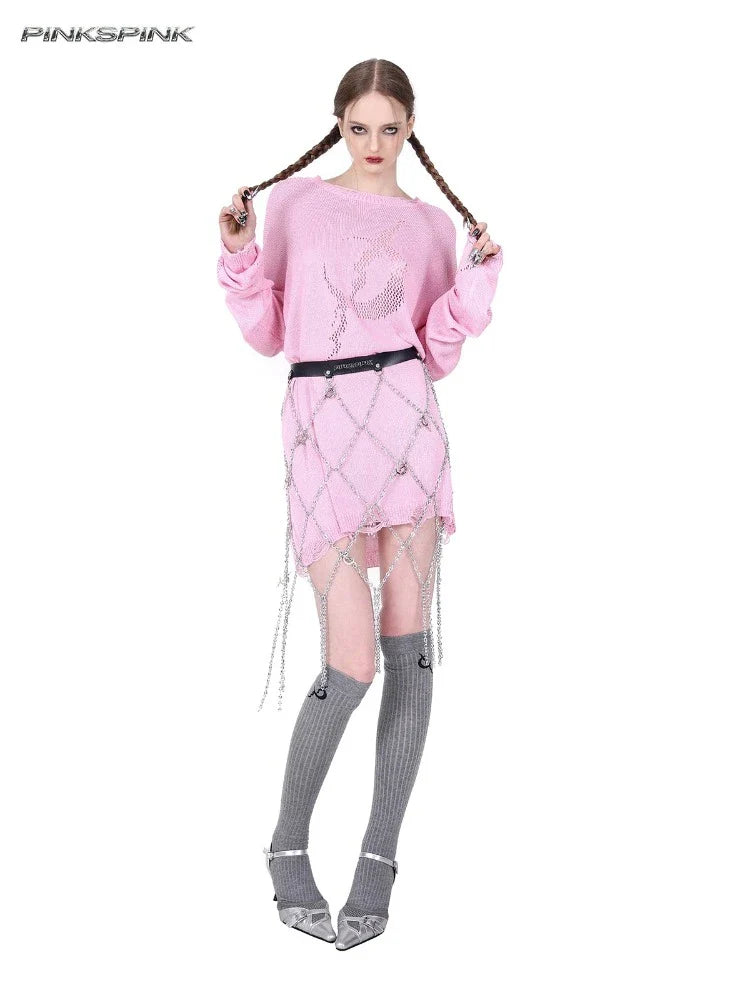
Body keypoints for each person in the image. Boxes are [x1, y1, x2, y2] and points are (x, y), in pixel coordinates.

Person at [216, 58, 503, 949]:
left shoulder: (429, 225)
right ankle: (286, 844)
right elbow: (270, 331)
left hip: (406, 423)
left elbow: (437, 350)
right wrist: (239, 253)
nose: (375, 143)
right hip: (321, 427)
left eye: (391, 128)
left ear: (411, 127)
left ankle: (378, 864)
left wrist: (476, 280)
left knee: (408, 650)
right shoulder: (297, 206)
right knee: (350, 664)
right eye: (359, 127)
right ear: (338, 123)